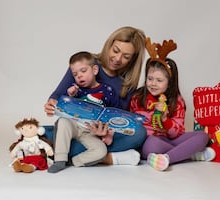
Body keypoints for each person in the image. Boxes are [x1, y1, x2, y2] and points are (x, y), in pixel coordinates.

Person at [44, 26, 147, 168]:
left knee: (140, 132)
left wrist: (106, 133)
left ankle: (55, 149)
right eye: (115, 50)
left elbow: (119, 119)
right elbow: (58, 95)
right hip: (75, 125)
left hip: (99, 136)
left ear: (133, 59)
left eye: (126, 57)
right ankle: (109, 158)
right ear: (109, 44)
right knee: (54, 127)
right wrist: (51, 103)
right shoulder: (84, 63)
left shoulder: (127, 83)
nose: (117, 59)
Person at [129, 37, 215, 171]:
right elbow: (132, 122)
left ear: (169, 83)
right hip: (148, 142)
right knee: (151, 145)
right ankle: (187, 154)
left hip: (169, 140)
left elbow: (177, 133)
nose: (153, 83)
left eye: (159, 80)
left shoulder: (177, 100)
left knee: (202, 136)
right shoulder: (138, 97)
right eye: (150, 79)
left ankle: (167, 158)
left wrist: (164, 118)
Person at [48, 51, 121, 173]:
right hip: (74, 125)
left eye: (83, 71)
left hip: (91, 132)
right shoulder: (75, 90)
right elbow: (62, 109)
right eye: (75, 74)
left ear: (95, 70)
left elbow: (114, 114)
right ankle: (60, 159)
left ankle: (73, 161)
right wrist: (69, 96)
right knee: (63, 121)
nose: (79, 76)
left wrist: (110, 134)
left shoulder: (108, 90)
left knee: (101, 151)